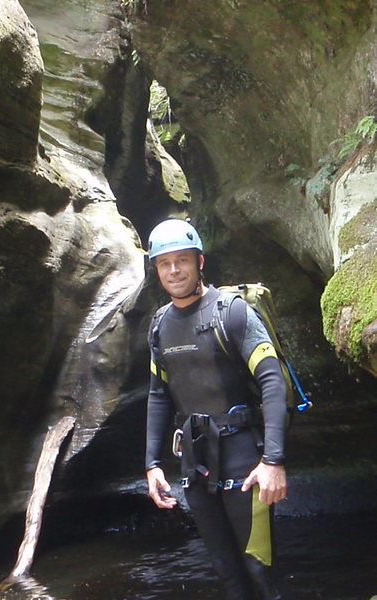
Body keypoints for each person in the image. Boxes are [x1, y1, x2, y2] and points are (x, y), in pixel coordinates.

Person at [145, 218, 287, 599]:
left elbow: (273, 382)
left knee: (259, 570)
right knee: (226, 573)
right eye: (164, 263)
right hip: (196, 461)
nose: (174, 270)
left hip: (246, 460)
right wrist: (152, 464)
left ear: (200, 261)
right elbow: (159, 394)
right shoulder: (159, 325)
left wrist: (273, 461)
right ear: (156, 269)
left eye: (182, 260)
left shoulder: (232, 312)